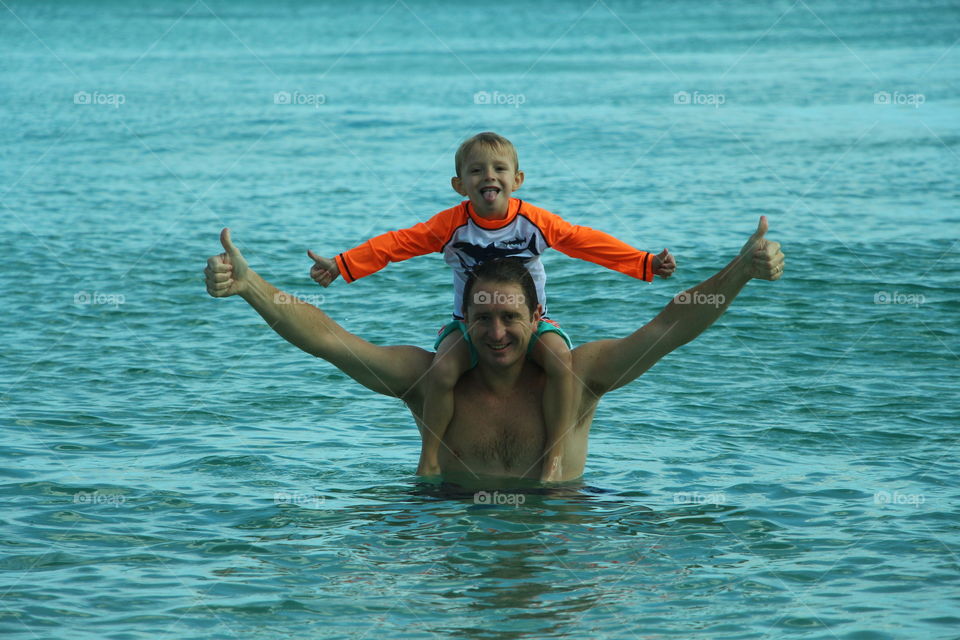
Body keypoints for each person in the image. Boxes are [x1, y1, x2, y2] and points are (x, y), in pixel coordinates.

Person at [204, 216, 784, 484]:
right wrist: (251, 286)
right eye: (482, 318)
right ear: (464, 318)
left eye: (510, 317)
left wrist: (741, 270)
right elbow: (330, 340)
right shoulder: (430, 378)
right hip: (450, 540)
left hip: (562, 540)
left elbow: (667, 327)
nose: (498, 332)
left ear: (538, 318)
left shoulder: (576, 378)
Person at [304, 132, 676, 482]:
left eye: (499, 169)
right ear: (459, 185)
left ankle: (556, 454)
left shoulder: (535, 222)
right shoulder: (450, 226)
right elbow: (398, 244)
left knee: (563, 362)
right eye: (476, 170)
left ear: (517, 179)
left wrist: (642, 262)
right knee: (443, 369)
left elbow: (584, 241)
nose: (489, 176)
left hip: (531, 323)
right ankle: (430, 455)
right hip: (468, 325)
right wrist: (343, 264)